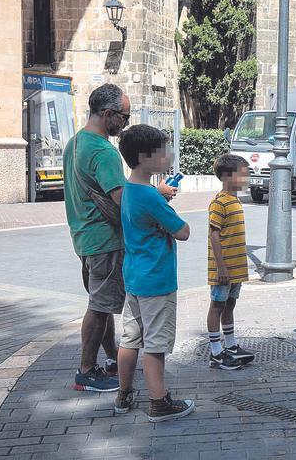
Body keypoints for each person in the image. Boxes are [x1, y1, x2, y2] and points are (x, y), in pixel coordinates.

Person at [112, 124, 194, 422]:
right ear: (146, 157)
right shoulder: (151, 197)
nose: (167, 155)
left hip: (134, 277)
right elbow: (183, 231)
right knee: (155, 345)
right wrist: (163, 217)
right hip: (156, 281)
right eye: (163, 151)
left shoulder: (130, 190)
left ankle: (123, 395)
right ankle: (159, 403)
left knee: (130, 339)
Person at [63, 84, 132, 392]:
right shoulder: (104, 151)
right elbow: (122, 200)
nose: (126, 123)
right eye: (124, 117)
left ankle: (111, 358)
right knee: (99, 305)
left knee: (101, 304)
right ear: (108, 114)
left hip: (84, 237)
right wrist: (154, 196)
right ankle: (86, 370)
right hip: (105, 240)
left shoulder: (75, 143)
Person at [206, 154, 255, 370]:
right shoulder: (219, 203)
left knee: (230, 304)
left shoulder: (235, 201)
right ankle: (216, 352)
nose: (246, 179)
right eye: (242, 174)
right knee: (217, 305)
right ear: (227, 176)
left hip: (236, 269)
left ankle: (231, 345)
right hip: (223, 269)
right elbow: (214, 235)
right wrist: (221, 266)